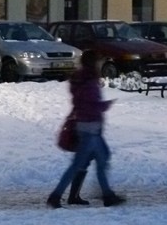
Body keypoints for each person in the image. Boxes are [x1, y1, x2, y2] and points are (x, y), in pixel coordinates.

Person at [47, 50, 125, 208]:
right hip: (91, 128)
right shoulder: (89, 81)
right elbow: (91, 105)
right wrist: (106, 105)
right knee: (80, 164)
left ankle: (107, 195)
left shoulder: (80, 79)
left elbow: (82, 103)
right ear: (93, 63)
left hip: (86, 126)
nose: (100, 63)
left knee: (101, 158)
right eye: (98, 61)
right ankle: (55, 196)